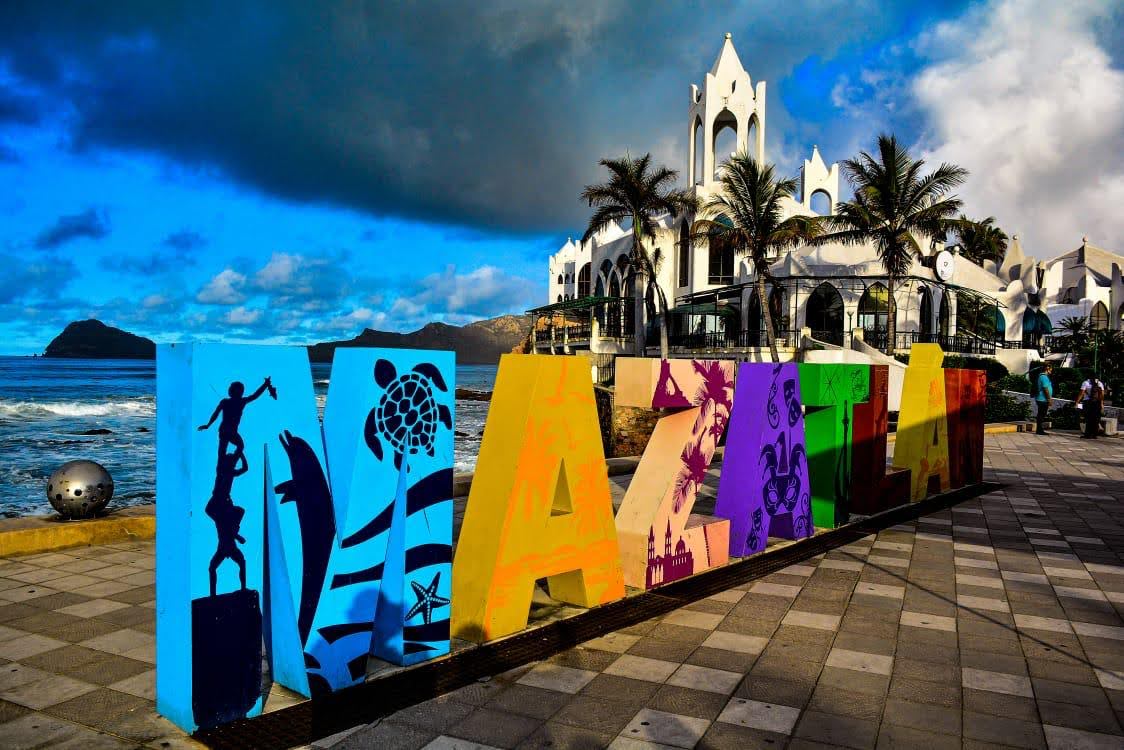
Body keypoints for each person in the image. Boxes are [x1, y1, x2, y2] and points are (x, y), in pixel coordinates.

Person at [197, 376, 276, 458]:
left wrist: (208, 425)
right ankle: (230, 461)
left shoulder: (233, 402)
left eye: (231, 388)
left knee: (234, 448)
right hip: (227, 431)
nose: (229, 390)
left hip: (227, 431)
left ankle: (230, 461)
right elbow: (215, 414)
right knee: (235, 448)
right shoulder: (235, 402)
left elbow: (255, 396)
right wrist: (265, 385)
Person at [1077, 374, 1106, 439]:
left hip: (1088, 402)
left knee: (1088, 419)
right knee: (1096, 419)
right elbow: (1102, 395)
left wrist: (1077, 402)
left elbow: (1081, 393)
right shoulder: (1100, 383)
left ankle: (1088, 434)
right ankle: (1094, 435)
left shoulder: (1085, 383)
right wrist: (1101, 404)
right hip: (1097, 403)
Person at [1034, 363, 1054, 435]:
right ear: (1047, 369)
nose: (1051, 371)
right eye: (1051, 369)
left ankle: (1039, 429)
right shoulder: (1044, 377)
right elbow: (1045, 389)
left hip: (1042, 399)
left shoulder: (1043, 376)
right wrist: (1049, 399)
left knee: (1041, 414)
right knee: (1041, 414)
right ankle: (1039, 430)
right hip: (1042, 399)